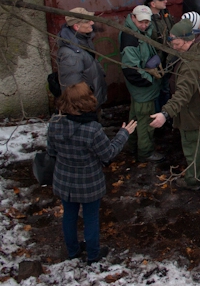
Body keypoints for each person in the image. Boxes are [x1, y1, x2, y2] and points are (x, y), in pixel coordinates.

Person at [47, 82, 136, 263]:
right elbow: (108, 153)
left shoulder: (54, 123)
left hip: (64, 181)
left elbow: (51, 152)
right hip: (89, 183)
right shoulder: (92, 129)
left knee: (69, 217)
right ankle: (93, 254)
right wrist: (124, 133)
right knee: (91, 219)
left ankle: (73, 251)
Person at [149, 19, 200, 190]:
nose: (174, 47)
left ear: (189, 40)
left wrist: (165, 113)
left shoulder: (191, 66)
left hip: (194, 113)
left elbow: (183, 94)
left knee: (194, 149)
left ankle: (193, 181)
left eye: (176, 43)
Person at [119, 5, 163, 163]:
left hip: (141, 89)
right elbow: (131, 71)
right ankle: (146, 152)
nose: (144, 25)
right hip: (143, 89)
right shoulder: (130, 38)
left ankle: (131, 144)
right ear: (132, 18)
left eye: (147, 22)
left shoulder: (142, 31)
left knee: (135, 118)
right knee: (146, 121)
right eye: (141, 22)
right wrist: (151, 79)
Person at [56, 7, 107, 108]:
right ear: (76, 26)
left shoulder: (83, 41)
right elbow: (73, 91)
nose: (92, 23)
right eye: (87, 21)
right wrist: (84, 108)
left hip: (91, 102)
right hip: (84, 108)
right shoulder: (70, 54)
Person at [145, 0, 175, 112]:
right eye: (162, 0)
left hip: (168, 59)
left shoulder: (165, 14)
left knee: (166, 88)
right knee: (158, 91)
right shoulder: (147, 20)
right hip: (156, 62)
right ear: (153, 3)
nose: (166, 1)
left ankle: (165, 113)